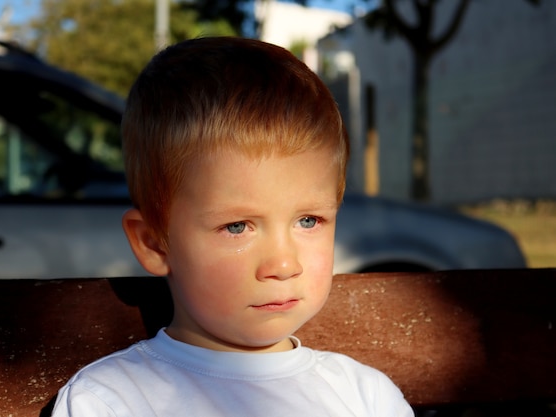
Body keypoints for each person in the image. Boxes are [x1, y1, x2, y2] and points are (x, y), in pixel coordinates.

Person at [51, 36, 413, 417]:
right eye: (237, 227)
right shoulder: (113, 401)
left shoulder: (365, 398)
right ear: (154, 243)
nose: (284, 265)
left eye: (308, 221)